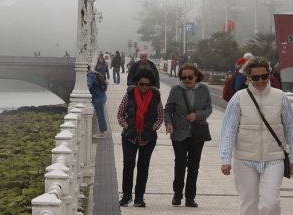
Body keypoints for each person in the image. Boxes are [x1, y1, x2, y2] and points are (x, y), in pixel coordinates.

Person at [218, 56, 293, 215]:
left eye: (265, 76)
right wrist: (225, 158)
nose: (261, 81)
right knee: (249, 205)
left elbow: (291, 129)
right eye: (256, 77)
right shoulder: (239, 98)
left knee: (270, 204)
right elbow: (228, 129)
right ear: (248, 77)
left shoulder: (280, 97)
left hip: (273, 159)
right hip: (244, 159)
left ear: (270, 75)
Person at [164, 62, 212, 207]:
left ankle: (190, 197)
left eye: (190, 77)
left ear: (196, 76)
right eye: (183, 77)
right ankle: (177, 195)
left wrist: (197, 115)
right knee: (180, 164)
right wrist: (169, 124)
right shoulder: (176, 90)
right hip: (179, 133)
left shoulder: (204, 90)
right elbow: (168, 110)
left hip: (197, 133)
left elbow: (209, 108)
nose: (187, 80)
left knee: (193, 165)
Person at [117, 73, 163, 206]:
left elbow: (160, 116)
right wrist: (126, 125)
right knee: (128, 165)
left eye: (147, 85)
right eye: (141, 84)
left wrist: (152, 128)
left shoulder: (155, 96)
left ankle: (139, 197)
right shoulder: (129, 95)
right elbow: (120, 113)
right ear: (137, 83)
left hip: (148, 138)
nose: (144, 87)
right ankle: (126, 196)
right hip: (130, 137)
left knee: (143, 167)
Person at [87, 62, 108, 138]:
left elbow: (89, 85)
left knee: (100, 116)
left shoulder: (90, 75)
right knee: (101, 115)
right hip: (101, 96)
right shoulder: (94, 73)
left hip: (98, 98)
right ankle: (103, 131)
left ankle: (102, 133)